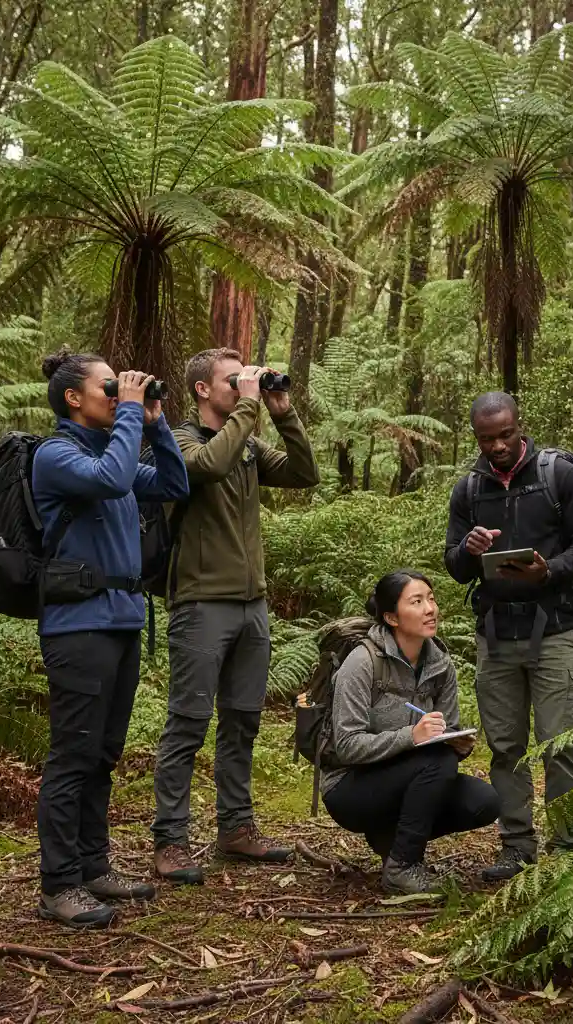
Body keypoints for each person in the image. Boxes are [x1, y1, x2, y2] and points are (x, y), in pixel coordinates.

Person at [31, 350, 189, 928]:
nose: (118, 393)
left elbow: (173, 481)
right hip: (79, 627)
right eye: (108, 387)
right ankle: (58, 883)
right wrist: (128, 416)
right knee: (73, 754)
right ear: (74, 398)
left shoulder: (112, 450)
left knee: (103, 754)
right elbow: (113, 479)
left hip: (121, 622)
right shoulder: (57, 455)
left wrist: (155, 421)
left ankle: (94, 865)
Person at [151, 349, 320, 884]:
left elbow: (303, 473)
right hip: (201, 605)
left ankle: (236, 827)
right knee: (188, 724)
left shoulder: (245, 444)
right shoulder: (178, 441)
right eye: (233, 380)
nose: (243, 384)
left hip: (252, 605)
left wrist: (282, 410)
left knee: (243, 720)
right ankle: (171, 840)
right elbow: (209, 465)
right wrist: (250, 410)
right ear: (203, 390)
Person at [444, 392, 573, 882]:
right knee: (506, 745)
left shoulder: (558, 475)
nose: (497, 446)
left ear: (520, 427)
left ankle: (570, 846)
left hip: (554, 628)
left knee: (561, 742)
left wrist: (549, 571)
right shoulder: (469, 489)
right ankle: (517, 847)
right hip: (496, 633)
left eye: (505, 434)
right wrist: (469, 552)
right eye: (486, 438)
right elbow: (453, 565)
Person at [320, 571, 501, 896]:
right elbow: (346, 746)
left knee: (484, 802)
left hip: (410, 774)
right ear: (391, 617)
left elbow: (444, 733)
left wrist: (458, 744)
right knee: (436, 759)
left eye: (431, 599)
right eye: (417, 602)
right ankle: (403, 866)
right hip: (350, 786)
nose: (430, 608)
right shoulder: (362, 663)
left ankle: (391, 837)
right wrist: (411, 736)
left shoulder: (440, 664)